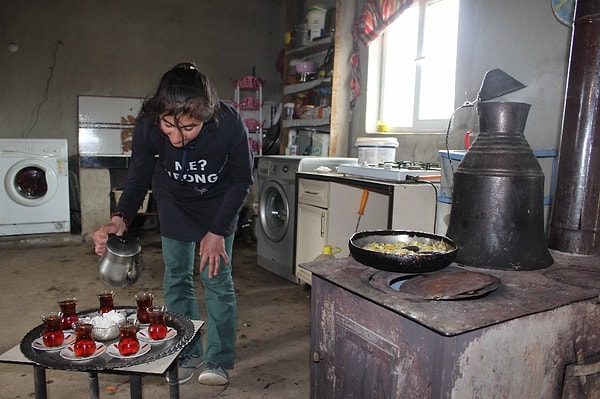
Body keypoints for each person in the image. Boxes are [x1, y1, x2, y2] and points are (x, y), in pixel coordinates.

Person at [92, 62, 254, 386]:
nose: (177, 138)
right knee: (177, 277)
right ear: (160, 115)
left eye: (189, 128)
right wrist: (119, 219)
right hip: (174, 202)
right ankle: (187, 351)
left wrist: (218, 231)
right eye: (169, 126)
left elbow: (241, 181)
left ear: (206, 116)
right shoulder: (149, 123)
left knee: (216, 279)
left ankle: (218, 359)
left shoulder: (229, 123)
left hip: (218, 203)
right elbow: (138, 175)